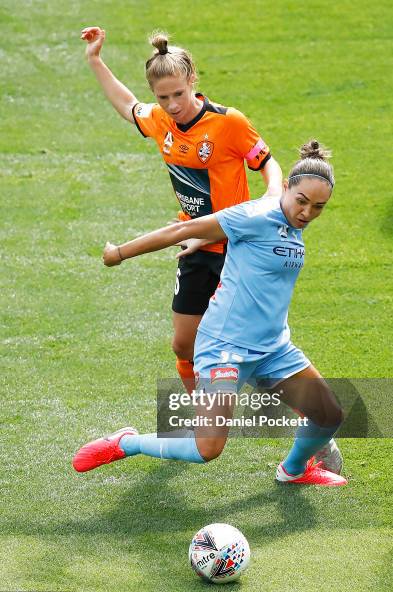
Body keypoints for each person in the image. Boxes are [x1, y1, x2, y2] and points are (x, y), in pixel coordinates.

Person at [73, 140, 347, 486]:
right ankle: (126, 443)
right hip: (225, 348)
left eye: (318, 208)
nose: (306, 213)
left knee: (329, 415)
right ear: (289, 190)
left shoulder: (287, 218)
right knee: (208, 447)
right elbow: (182, 229)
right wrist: (120, 252)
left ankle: (293, 471)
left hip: (273, 348)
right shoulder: (256, 215)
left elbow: (270, 178)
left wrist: (213, 238)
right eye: (302, 202)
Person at [81, 26, 282, 394]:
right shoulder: (160, 121)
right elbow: (127, 105)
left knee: (251, 352)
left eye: (178, 94)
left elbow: (267, 160)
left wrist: (273, 194)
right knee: (183, 345)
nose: (172, 105)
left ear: (192, 79)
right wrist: (95, 60)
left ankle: (312, 419)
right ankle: (202, 417)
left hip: (236, 248)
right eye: (162, 97)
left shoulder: (228, 123)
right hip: (194, 246)